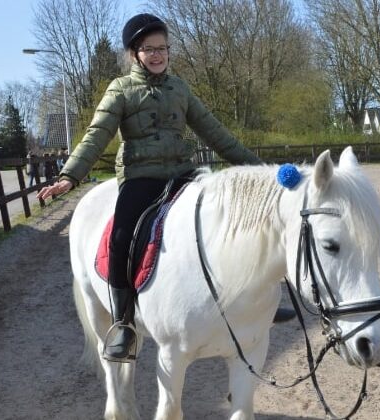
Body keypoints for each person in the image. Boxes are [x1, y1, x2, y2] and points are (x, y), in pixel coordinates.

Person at [37, 13, 293, 362]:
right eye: (149, 49)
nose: (157, 55)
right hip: (141, 178)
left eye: (163, 48)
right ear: (134, 54)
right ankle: (123, 322)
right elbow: (98, 134)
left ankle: (255, 302)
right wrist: (70, 175)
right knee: (121, 237)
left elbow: (216, 134)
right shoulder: (120, 90)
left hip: (182, 174)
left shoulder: (180, 89)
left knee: (235, 220)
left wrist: (261, 170)